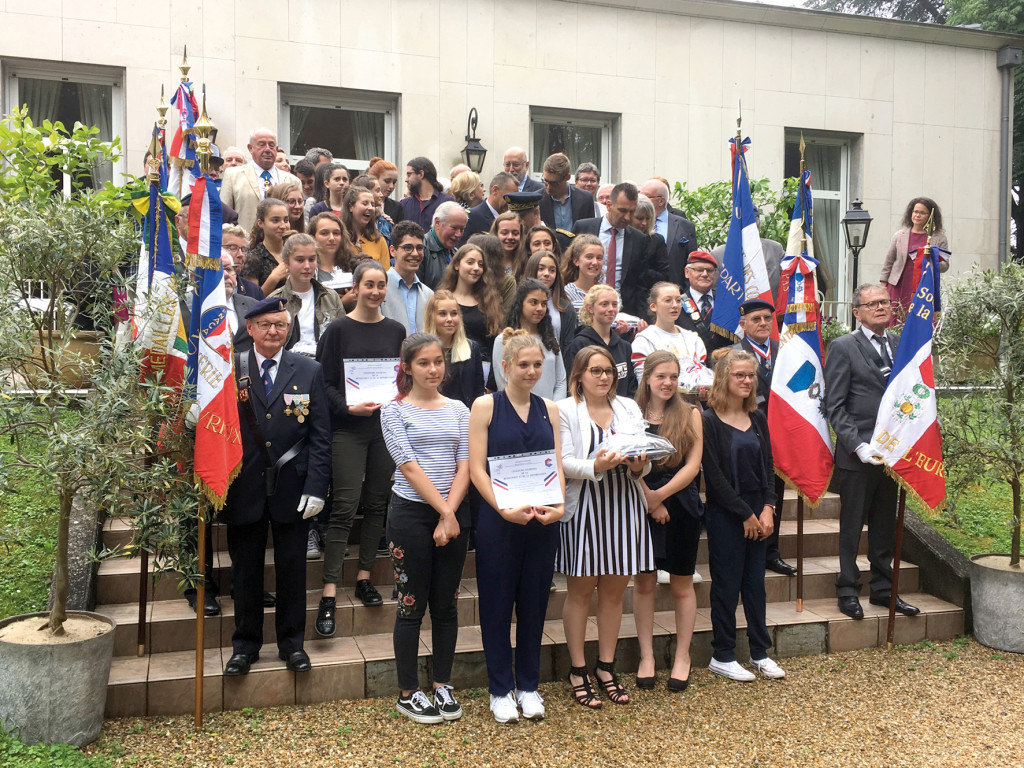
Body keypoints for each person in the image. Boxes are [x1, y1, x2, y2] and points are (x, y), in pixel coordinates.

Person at [220, 296, 331, 676]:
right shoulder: (229, 369)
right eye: (266, 325)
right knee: (245, 573)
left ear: (289, 329)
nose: (273, 331)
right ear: (250, 328)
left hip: (293, 488)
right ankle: (245, 647)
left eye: (280, 325)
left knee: (292, 571)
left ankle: (292, 645)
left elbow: (320, 436)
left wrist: (317, 487)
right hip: (244, 487)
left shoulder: (309, 370)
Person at [469, 330, 565, 722]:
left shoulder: (550, 409)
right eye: (523, 364)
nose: (531, 371)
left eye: (537, 364)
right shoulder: (485, 406)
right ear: (505, 366)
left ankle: (528, 686)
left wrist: (560, 505)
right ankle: (499, 690)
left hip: (542, 520)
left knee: (534, 604)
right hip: (499, 520)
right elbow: (476, 469)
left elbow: (556, 463)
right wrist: (502, 508)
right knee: (496, 604)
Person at [380, 333, 471, 724]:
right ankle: (408, 691)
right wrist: (444, 512)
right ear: (407, 367)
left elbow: (466, 463)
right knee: (411, 604)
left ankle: (442, 684)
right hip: (411, 515)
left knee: (446, 604)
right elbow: (408, 466)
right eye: (423, 363)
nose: (433, 369)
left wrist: (449, 513)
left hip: (452, 513)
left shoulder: (459, 409)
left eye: (438, 362)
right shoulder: (393, 411)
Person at [557, 346, 652, 708]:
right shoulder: (565, 410)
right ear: (579, 375)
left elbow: (643, 459)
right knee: (581, 592)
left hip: (624, 506)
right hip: (585, 506)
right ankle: (577, 669)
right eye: (595, 371)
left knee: (614, 593)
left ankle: (605, 666)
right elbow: (564, 462)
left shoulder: (628, 407)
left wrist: (639, 465)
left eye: (609, 370)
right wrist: (595, 466)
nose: (603, 377)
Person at [315, 261, 407, 621]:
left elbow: (402, 382)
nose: (375, 291)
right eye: (369, 285)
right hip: (348, 428)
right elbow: (324, 383)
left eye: (381, 285)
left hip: (384, 429)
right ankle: (329, 588)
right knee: (344, 505)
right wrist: (348, 408)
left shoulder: (396, 331)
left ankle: (364, 577)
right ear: (355, 287)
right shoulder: (337, 330)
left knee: (376, 504)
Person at [824, 283, 920, 620]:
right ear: (857, 312)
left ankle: (883, 589)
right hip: (859, 454)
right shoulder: (843, 347)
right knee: (852, 526)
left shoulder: (899, 343)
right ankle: (848, 589)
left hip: (892, 452)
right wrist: (857, 444)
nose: (881, 307)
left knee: (884, 527)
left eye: (884, 302)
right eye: (872, 304)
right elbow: (835, 405)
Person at [701, 349, 785, 681]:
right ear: (724, 378)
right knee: (726, 585)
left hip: (759, 512)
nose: (747, 380)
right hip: (726, 514)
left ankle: (760, 652)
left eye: (751, 375)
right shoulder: (708, 420)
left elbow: (769, 466)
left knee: (755, 585)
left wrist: (768, 508)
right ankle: (722, 654)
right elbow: (714, 477)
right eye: (739, 375)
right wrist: (745, 515)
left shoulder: (758, 417)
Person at [632, 350, 704, 690]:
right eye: (661, 376)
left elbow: (693, 465)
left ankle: (682, 656)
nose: (668, 382)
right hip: (639, 502)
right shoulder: (630, 413)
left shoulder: (691, 413)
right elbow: (625, 461)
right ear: (647, 377)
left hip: (682, 506)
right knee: (644, 582)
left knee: (681, 584)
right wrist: (648, 497)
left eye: (673, 376)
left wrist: (660, 496)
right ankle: (646, 655)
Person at [730, 298, 795, 576]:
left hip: (779, 434)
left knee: (774, 492)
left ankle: (771, 552)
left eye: (768, 318)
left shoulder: (786, 351)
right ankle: (741, 548)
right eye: (756, 319)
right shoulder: (731, 354)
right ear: (743, 324)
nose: (763, 323)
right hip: (744, 433)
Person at [572, 182, 669, 317]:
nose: (627, 217)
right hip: (585, 306)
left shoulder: (638, 239)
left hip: (624, 313)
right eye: (623, 211)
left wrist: (641, 318)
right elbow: (570, 268)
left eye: (632, 212)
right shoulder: (584, 227)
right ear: (609, 205)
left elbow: (640, 283)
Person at [436, 243, 505, 383]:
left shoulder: (489, 301)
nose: (476, 268)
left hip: (484, 372)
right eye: (470, 262)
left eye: (480, 264)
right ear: (457, 265)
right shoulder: (442, 299)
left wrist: (491, 382)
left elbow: (495, 344)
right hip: (450, 370)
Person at [268, 233, 345, 356]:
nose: (307, 266)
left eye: (312, 259)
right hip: (290, 363)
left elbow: (342, 336)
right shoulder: (275, 300)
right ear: (286, 263)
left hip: (324, 362)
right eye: (300, 260)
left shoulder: (330, 296)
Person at [631, 282, 713, 395]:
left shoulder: (693, 338)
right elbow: (644, 384)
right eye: (668, 300)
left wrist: (701, 390)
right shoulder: (644, 340)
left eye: (678, 300)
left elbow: (700, 377)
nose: (675, 305)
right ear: (653, 306)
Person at [493, 279, 567, 401]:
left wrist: (554, 407)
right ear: (520, 303)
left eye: (544, 304)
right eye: (534, 302)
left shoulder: (549, 339)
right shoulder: (504, 340)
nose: (540, 308)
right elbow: (503, 381)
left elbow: (561, 381)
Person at [880, 197, 950, 324]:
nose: (917, 215)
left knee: (919, 321)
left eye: (922, 213)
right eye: (915, 211)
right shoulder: (899, 235)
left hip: (924, 288)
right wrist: (883, 287)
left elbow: (945, 266)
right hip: (898, 285)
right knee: (896, 320)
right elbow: (888, 262)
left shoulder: (939, 238)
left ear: (931, 216)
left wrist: (931, 260)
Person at [220, 128, 301, 231]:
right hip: (245, 239)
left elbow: (298, 221)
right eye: (262, 144)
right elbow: (224, 216)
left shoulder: (293, 181)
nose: (267, 149)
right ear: (250, 148)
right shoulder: (232, 176)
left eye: (271, 145)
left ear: (276, 149)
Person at [564, 284, 637, 397]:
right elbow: (573, 385)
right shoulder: (579, 344)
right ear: (590, 308)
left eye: (614, 304)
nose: (611, 309)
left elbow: (631, 387)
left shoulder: (625, 347)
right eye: (604, 304)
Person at [423, 289, 485, 408]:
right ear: (431, 316)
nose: (449, 319)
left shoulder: (472, 348)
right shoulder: (419, 350)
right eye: (442, 314)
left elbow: (478, 392)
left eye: (454, 313)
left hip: (465, 415)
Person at [640, 178, 697, 287]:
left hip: (675, 289)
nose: (640, 199)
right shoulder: (633, 223)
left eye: (646, 196)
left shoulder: (685, 226)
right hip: (641, 290)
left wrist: (686, 291)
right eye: (639, 195)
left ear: (661, 201)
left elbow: (692, 262)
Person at [521, 250, 579, 354]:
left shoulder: (566, 308)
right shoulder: (520, 302)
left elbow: (568, 348)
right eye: (541, 269)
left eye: (552, 270)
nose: (547, 274)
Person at [381, 220, 433, 333]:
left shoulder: (429, 295)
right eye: (408, 248)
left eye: (419, 248)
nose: (415, 254)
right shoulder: (380, 289)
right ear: (393, 251)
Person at [677, 250, 731, 355]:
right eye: (699, 270)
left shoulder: (726, 300)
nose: (705, 274)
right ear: (687, 272)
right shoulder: (678, 304)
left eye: (710, 270)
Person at [539, 152, 595, 250]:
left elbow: (590, 235)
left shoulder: (585, 199)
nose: (548, 187)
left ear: (567, 177)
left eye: (554, 183)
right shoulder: (537, 199)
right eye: (545, 181)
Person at [239, 197, 290, 295]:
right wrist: (273, 278)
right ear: (260, 223)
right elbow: (251, 300)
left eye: (286, 220)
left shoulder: (292, 253)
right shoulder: (253, 258)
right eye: (275, 220)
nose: (283, 226)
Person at [419, 201, 468, 289]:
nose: (459, 234)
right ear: (437, 223)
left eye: (462, 229)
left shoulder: (457, 254)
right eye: (454, 228)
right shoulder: (420, 250)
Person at [341, 185, 390, 269]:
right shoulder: (339, 239)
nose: (370, 208)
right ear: (350, 207)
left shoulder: (379, 240)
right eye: (365, 203)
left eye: (372, 204)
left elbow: (385, 272)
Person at [462, 171, 518, 244]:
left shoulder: (512, 218)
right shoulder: (472, 217)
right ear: (495, 190)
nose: (512, 202)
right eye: (510, 197)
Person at [307, 211, 357, 290]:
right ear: (312, 237)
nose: (331, 238)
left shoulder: (352, 265)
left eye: (336, 233)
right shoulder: (307, 269)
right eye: (324, 233)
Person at [401, 157, 455, 231]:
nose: (406, 179)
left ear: (421, 174)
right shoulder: (404, 204)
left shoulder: (447, 202)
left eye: (409, 175)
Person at [221, 248, 256, 353]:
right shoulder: (187, 310)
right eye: (217, 269)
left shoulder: (252, 305)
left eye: (228, 269)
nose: (225, 274)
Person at [561, 233, 604, 312]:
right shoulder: (567, 293)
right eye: (589, 257)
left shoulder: (606, 291)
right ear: (576, 261)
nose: (595, 262)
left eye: (599, 258)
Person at [222, 223, 264, 300]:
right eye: (233, 248)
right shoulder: (201, 286)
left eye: (243, 249)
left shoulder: (253, 291)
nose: (240, 255)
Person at [367, 156, 405, 225]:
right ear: (375, 179)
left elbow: (401, 230)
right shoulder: (361, 204)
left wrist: (391, 226)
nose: (391, 186)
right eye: (387, 181)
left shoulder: (397, 207)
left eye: (394, 182)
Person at [490, 210, 523, 275]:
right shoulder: (486, 261)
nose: (510, 237)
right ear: (496, 234)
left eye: (515, 233)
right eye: (504, 233)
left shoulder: (525, 262)